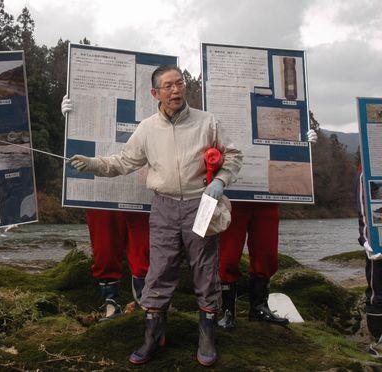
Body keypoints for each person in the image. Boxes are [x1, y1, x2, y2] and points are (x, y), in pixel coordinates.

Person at [68, 65, 242, 366]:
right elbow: (123, 161)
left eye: (180, 84)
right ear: (155, 93)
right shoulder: (147, 128)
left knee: (205, 268)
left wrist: (220, 181)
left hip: (201, 205)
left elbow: (234, 155)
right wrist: (92, 163)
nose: (176, 90)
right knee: (159, 269)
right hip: (162, 206)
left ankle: (207, 336)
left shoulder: (207, 122)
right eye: (168, 86)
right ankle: (153, 336)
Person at [61, 97, 151, 321]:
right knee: (104, 249)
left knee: (145, 249)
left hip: (142, 188)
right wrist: (71, 118)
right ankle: (110, 304)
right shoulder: (90, 93)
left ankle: (146, 301)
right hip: (101, 188)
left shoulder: (153, 98)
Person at [217, 129, 317, 329]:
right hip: (233, 196)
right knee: (227, 255)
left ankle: (259, 307)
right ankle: (226, 310)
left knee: (267, 254)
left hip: (268, 197)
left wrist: (302, 145)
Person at [356, 165, 382, 358]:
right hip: (378, 243)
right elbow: (365, 210)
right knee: (378, 292)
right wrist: (367, 240)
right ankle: (379, 340)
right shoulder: (368, 170)